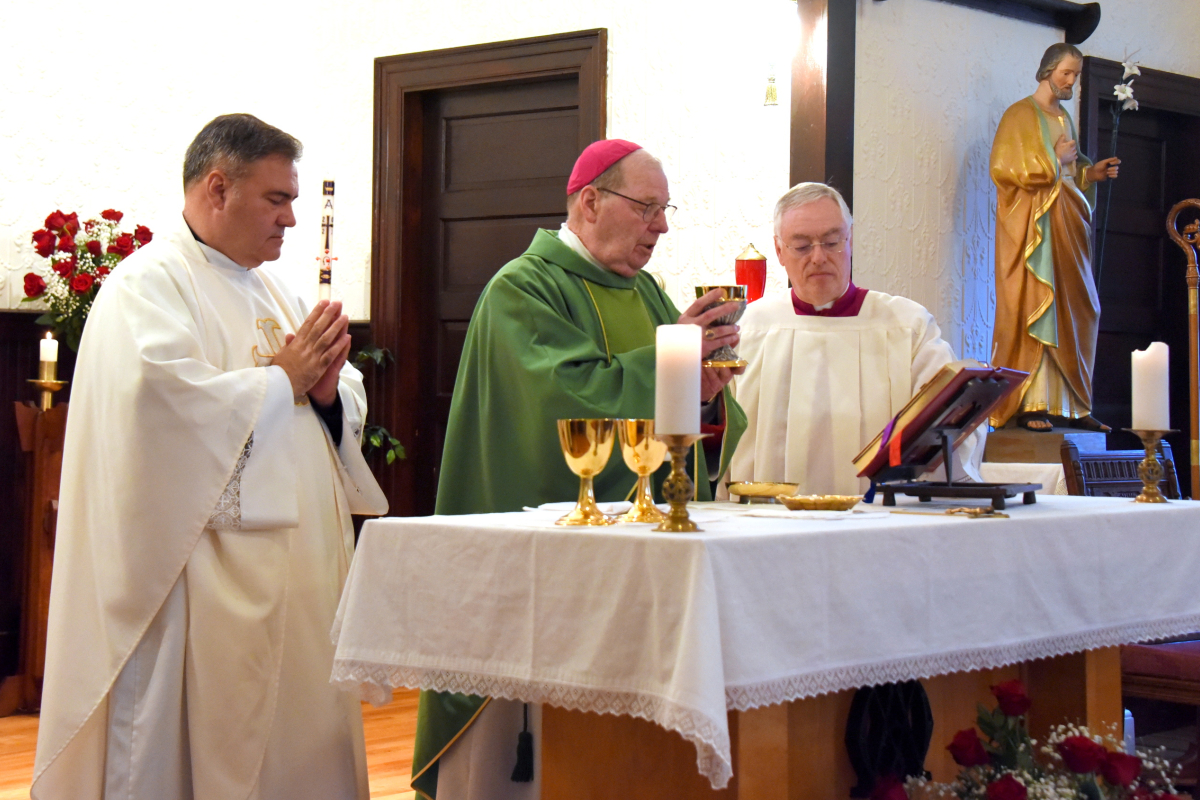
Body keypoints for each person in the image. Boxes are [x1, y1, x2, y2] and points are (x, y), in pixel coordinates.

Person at [32, 113, 388, 800]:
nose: (291, 219)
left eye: (292, 200)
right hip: (194, 582)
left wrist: (323, 393)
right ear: (218, 188)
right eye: (277, 199)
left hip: (296, 576)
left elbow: (335, 391)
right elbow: (158, 409)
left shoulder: (273, 290)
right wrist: (279, 381)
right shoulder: (148, 285)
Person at [414, 139, 747, 799]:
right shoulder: (523, 288)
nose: (662, 227)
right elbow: (566, 405)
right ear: (590, 201)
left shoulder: (647, 291)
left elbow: (692, 413)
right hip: (542, 571)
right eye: (647, 208)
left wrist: (706, 390)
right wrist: (675, 362)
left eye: (664, 209)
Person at [723, 182, 984, 497]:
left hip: (880, 530)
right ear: (779, 250)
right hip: (767, 529)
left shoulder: (906, 326)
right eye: (802, 246)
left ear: (850, 240)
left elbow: (953, 423)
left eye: (832, 241)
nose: (819, 257)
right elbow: (715, 441)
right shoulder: (748, 330)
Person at [989, 43, 1120, 432]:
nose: (1071, 82)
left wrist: (1088, 174)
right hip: (1034, 228)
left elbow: (1070, 169)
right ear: (1047, 70)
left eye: (1076, 76)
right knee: (1038, 304)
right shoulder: (1019, 115)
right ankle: (1032, 402)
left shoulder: (1063, 117)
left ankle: (1072, 404)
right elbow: (1003, 167)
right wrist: (1054, 163)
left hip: (1066, 219)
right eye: (1066, 73)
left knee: (1079, 306)